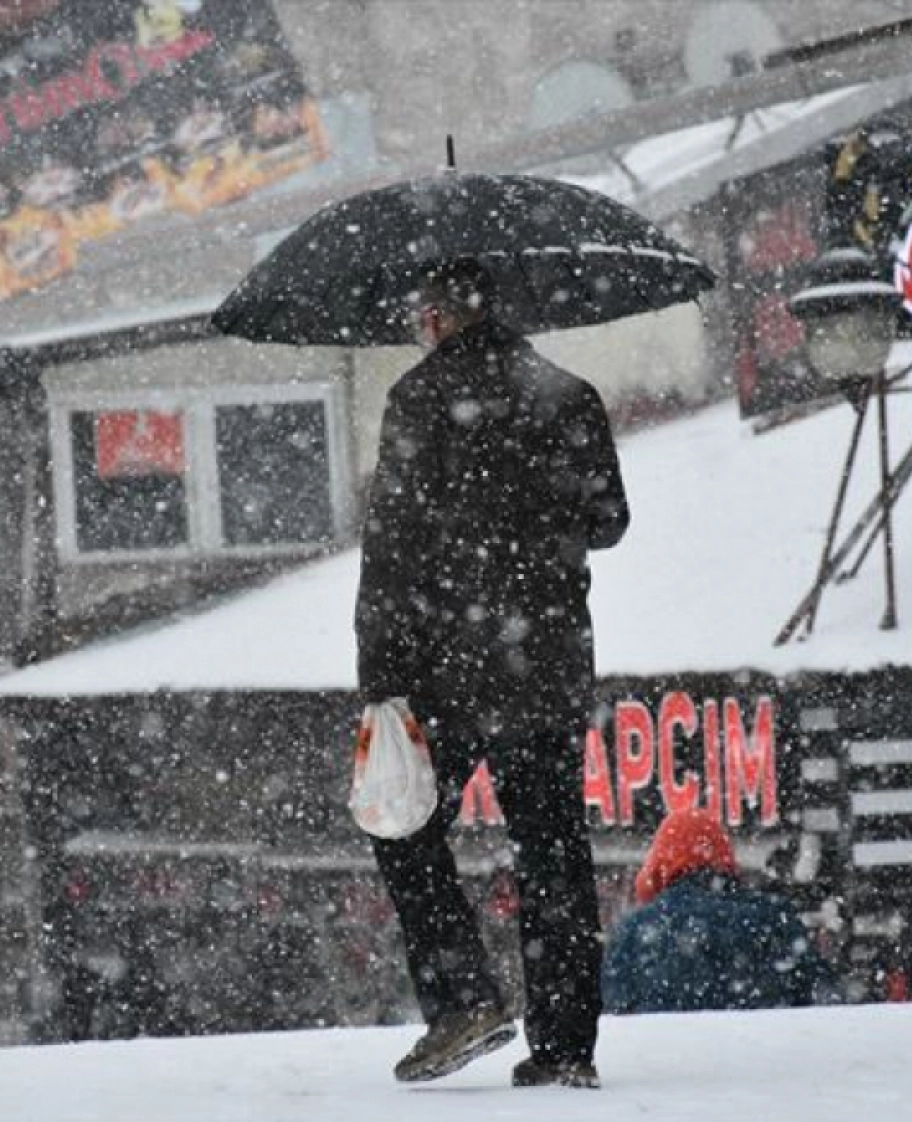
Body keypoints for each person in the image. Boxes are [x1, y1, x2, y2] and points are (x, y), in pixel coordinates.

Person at [355, 257, 629, 1090]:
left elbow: (392, 548)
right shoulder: (567, 393)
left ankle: (463, 997)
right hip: (546, 661)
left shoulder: (420, 399)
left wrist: (381, 676)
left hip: (452, 665)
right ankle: (564, 1047)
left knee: (403, 825)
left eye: (418, 314)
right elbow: (610, 522)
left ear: (438, 316)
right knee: (552, 846)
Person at [601, 805, 833, 1013]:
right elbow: (818, 1002)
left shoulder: (634, 933)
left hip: (670, 1059)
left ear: (659, 864)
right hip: (762, 1057)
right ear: (726, 857)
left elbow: (617, 1018)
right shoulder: (774, 920)